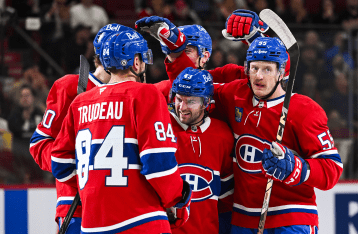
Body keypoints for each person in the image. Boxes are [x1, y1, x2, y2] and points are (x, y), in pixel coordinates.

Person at [137, 10, 343, 233]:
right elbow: (193, 87)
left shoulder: (304, 109)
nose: (259, 76)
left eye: (267, 69)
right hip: (243, 218)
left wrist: (297, 168)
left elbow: (332, 169)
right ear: (246, 69)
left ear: (282, 72)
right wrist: (176, 51)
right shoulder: (234, 93)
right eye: (254, 68)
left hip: (291, 216)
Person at [51, 30, 192, 233]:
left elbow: (60, 164)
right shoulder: (146, 93)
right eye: (143, 60)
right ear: (136, 62)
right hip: (141, 219)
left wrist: (97, 180)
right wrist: (180, 196)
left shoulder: (80, 102)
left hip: (92, 225)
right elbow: (158, 163)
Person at [29, 23, 132, 233]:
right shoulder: (70, 87)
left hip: (123, 206)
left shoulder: (135, 93)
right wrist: (76, 167)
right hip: (77, 205)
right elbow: (39, 144)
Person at [168, 67, 234, 234]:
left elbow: (226, 197)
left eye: (190, 101)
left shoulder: (223, 134)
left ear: (206, 103)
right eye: (179, 99)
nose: (182, 107)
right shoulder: (162, 127)